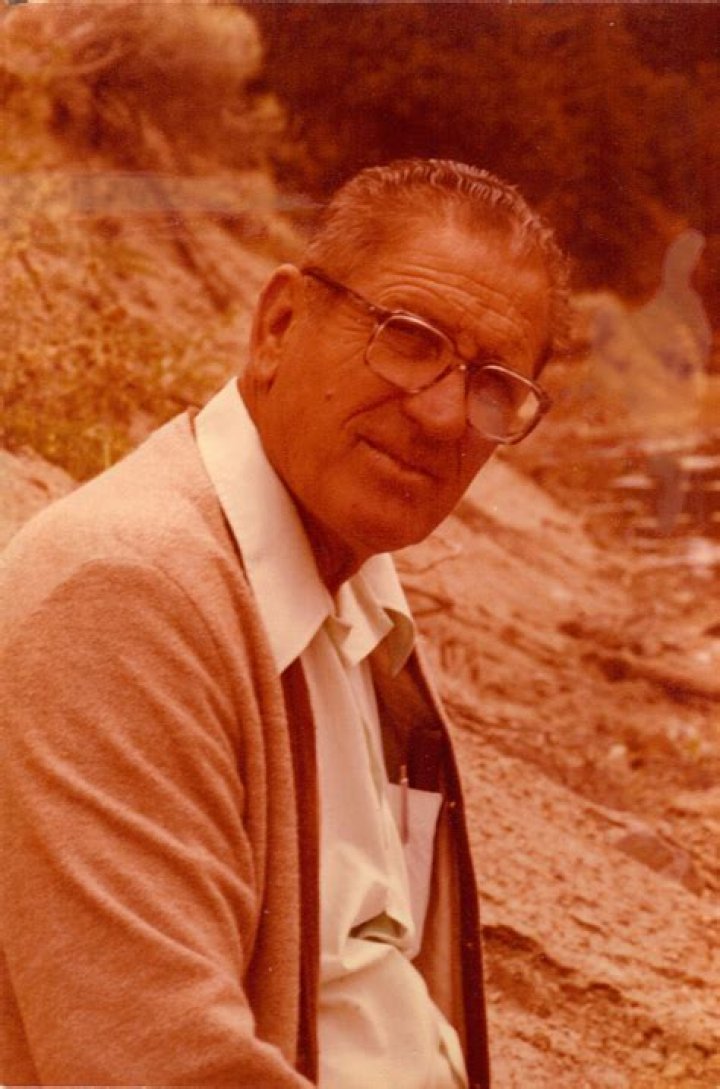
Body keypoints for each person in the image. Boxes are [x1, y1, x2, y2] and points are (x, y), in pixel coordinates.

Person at [0, 159, 569, 1088]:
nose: (441, 414)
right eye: (410, 338)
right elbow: (156, 1065)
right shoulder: (126, 593)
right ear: (278, 325)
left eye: (492, 386)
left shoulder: (356, 597)